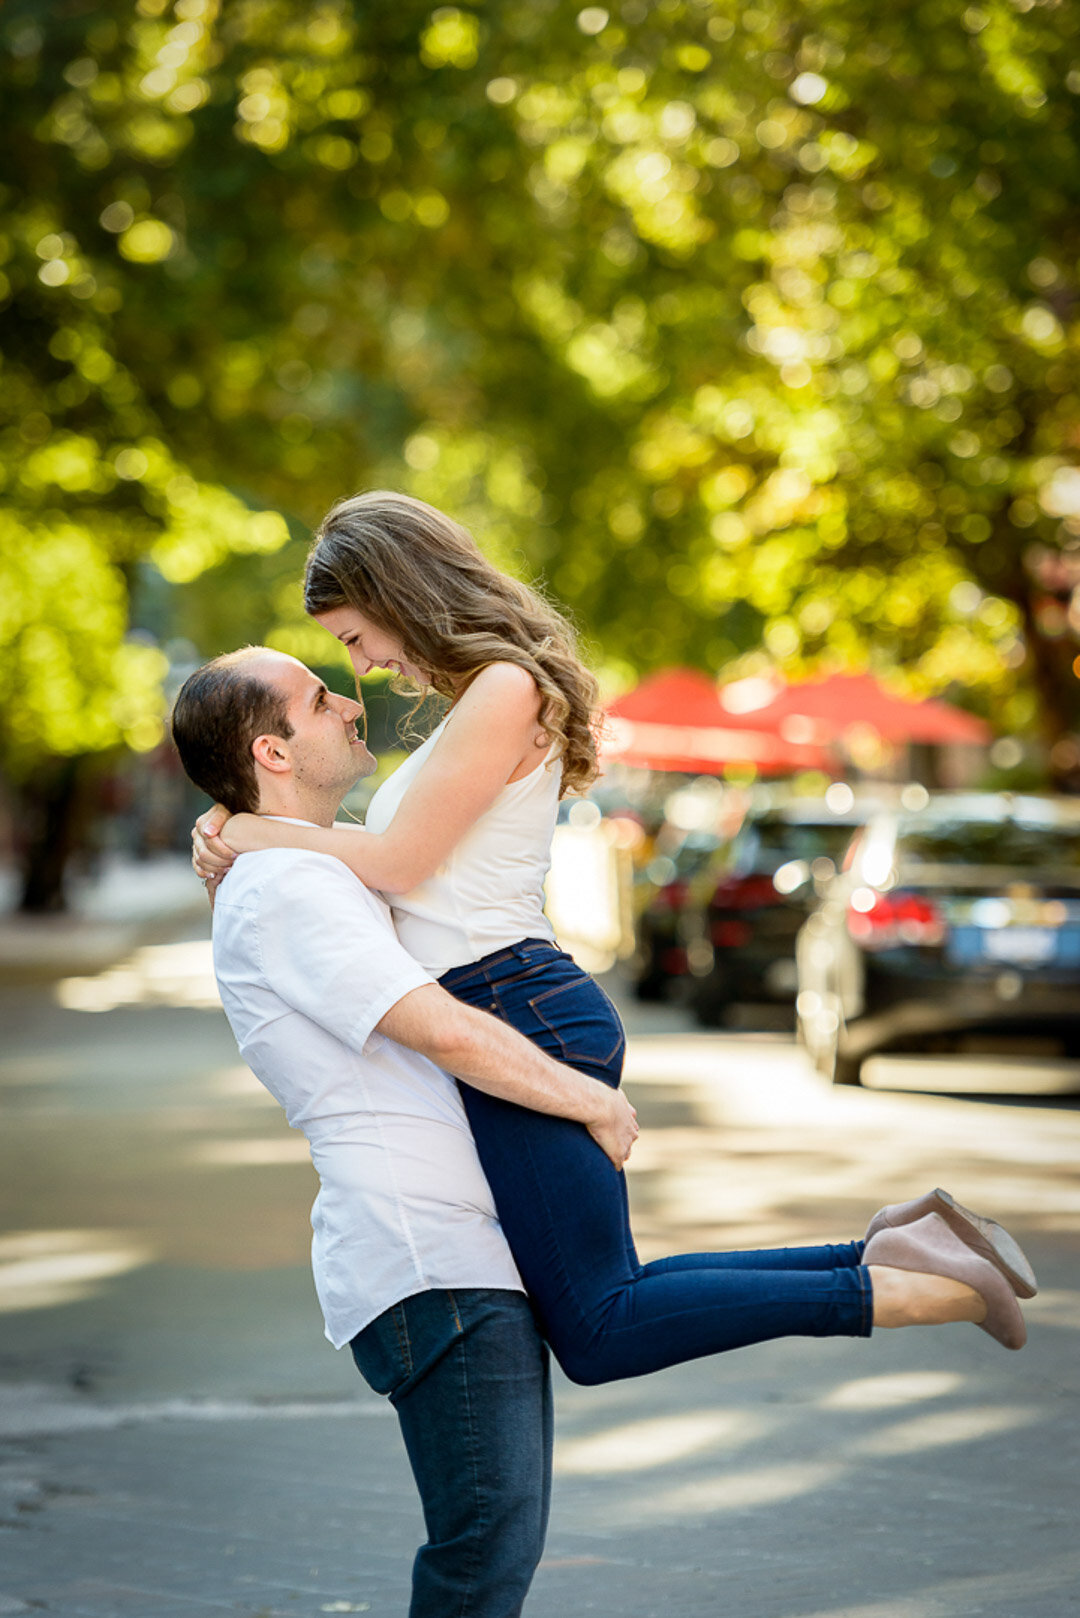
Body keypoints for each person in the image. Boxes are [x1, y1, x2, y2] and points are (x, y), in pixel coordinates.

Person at [192, 492, 1037, 1375]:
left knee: (601, 1325)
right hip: (510, 998)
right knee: (605, 1298)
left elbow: (399, 863)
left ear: (400, 593)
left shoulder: (506, 688)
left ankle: (920, 1289)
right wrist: (252, 832)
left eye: (356, 639)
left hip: (514, 1003)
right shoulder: (487, 694)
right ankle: (898, 1253)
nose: (362, 667)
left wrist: (251, 831)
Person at [171, 645, 639, 1618]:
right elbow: (445, 1028)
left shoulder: (301, 867)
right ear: (273, 750)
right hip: (428, 1260)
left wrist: (228, 824)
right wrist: (588, 1097)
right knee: (484, 1552)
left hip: (457, 1252)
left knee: (491, 1547)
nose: (350, 700)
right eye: (318, 695)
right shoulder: (288, 891)